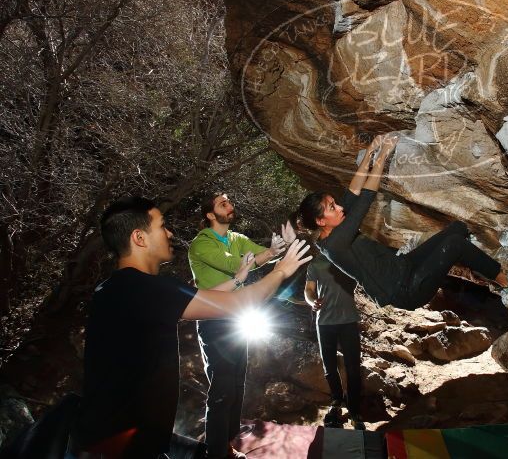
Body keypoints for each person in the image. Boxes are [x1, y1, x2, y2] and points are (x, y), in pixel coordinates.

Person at [70, 197, 311, 459]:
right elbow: (239, 303)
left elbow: (201, 297)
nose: (170, 233)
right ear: (140, 238)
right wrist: (282, 271)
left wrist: (239, 278)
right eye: (162, 226)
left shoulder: (118, 288)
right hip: (121, 445)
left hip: (106, 435)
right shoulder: (147, 288)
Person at [295, 134, 508, 311]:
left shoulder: (334, 226)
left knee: (458, 230)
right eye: (331, 208)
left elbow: (352, 193)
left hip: (405, 266)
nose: (339, 208)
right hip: (405, 290)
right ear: (320, 221)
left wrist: (370, 151)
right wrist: (383, 156)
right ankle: (505, 281)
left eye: (333, 203)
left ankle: (480, 268)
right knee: (454, 245)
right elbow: (365, 198)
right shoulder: (334, 244)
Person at [188, 192, 292, 459]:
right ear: (211, 215)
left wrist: (278, 249)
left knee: (237, 382)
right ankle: (216, 453)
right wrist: (268, 254)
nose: (230, 206)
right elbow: (235, 265)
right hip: (213, 320)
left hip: (237, 318)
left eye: (230, 202)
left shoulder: (237, 238)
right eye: (223, 204)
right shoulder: (201, 244)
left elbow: (260, 255)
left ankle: (226, 445)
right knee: (222, 388)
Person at [304, 254, 364, 430]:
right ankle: (337, 400)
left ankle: (354, 410)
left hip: (349, 321)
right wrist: (312, 301)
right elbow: (308, 290)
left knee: (353, 367)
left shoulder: (349, 260)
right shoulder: (316, 264)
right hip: (324, 322)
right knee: (329, 367)